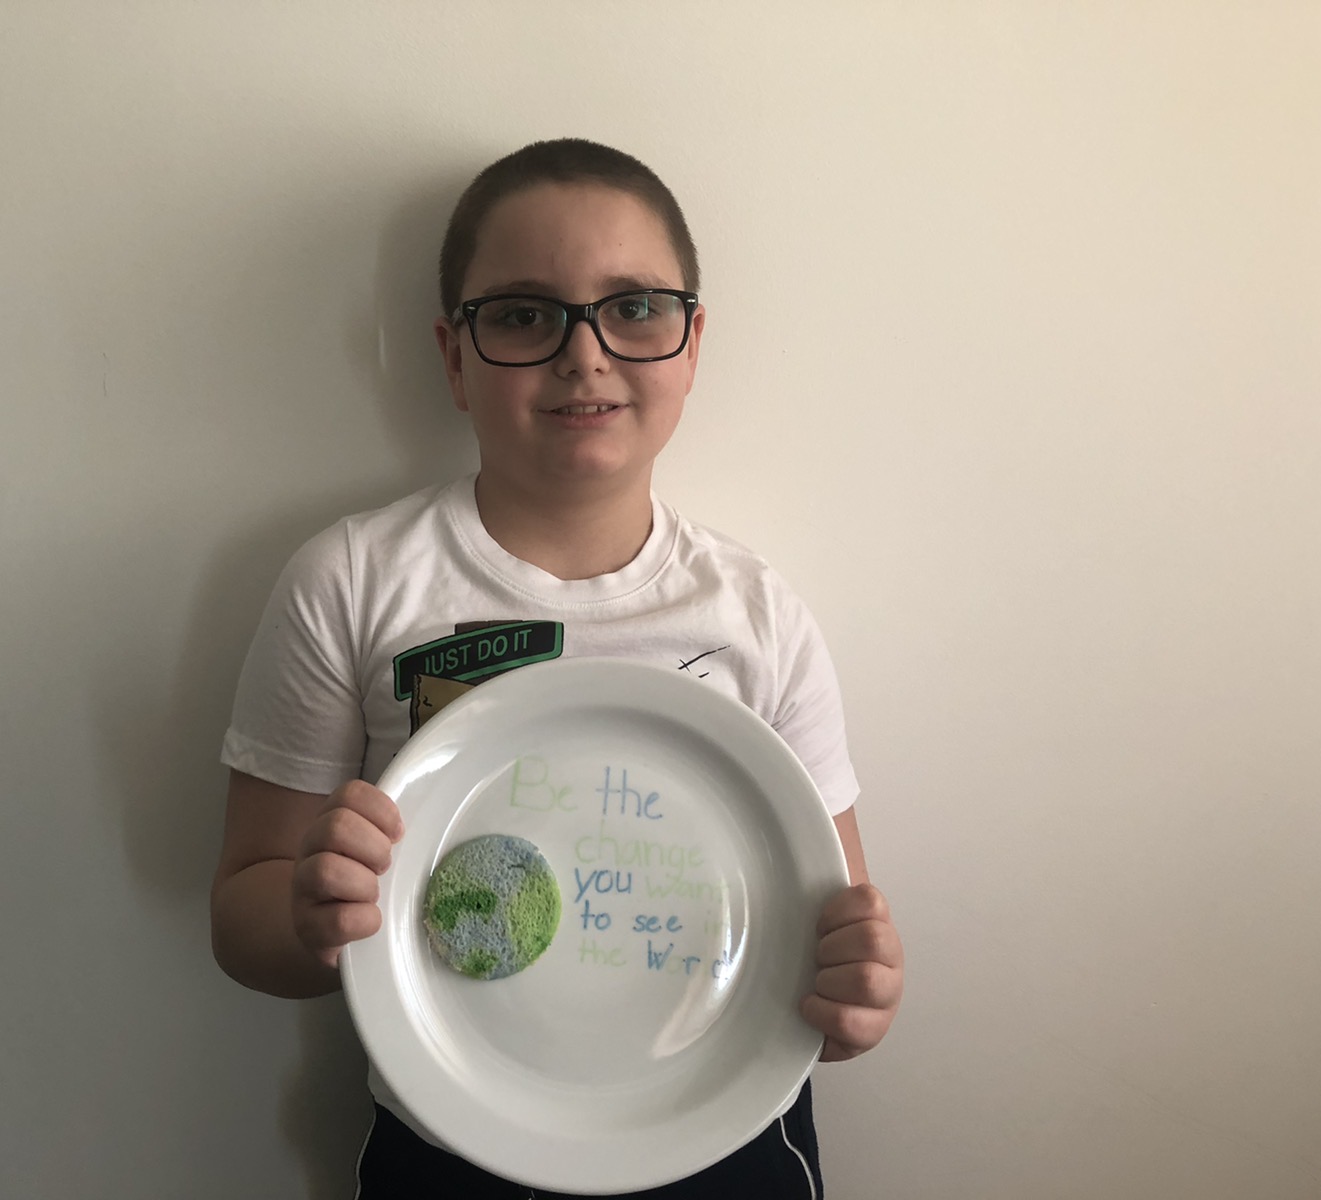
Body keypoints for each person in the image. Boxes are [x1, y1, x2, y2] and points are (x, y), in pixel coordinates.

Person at [210, 137, 905, 1199]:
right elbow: (242, 916)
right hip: (451, 1142)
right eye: (524, 315)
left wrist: (857, 995)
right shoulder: (351, 582)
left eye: (635, 308)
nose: (585, 354)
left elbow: (835, 926)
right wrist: (311, 914)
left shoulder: (758, 615)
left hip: (725, 1139)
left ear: (691, 344)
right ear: (453, 356)